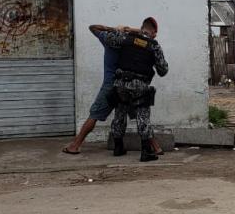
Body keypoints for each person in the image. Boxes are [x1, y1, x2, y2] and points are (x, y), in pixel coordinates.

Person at [62, 23, 164, 156]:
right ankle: (155, 148)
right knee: (142, 116)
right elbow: (145, 35)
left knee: (96, 114)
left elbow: (92, 27)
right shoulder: (128, 42)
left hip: (113, 84)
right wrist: (131, 29)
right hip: (130, 84)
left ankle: (75, 146)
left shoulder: (110, 40)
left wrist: (112, 29)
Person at [103, 17, 169, 162]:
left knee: (120, 113)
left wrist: (120, 29)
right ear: (153, 32)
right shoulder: (154, 46)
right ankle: (146, 152)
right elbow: (163, 70)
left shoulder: (127, 38)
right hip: (139, 85)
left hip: (120, 82)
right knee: (143, 116)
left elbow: (109, 39)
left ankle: (118, 147)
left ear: (141, 27)